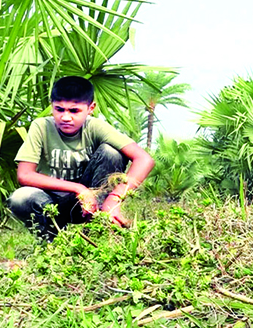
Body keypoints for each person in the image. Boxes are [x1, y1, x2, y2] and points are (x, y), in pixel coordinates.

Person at [8, 76, 155, 238]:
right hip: (49, 202)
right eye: (59, 109)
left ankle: (99, 228)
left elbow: (144, 159)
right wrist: (78, 188)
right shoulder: (41, 126)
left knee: (111, 152)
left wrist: (115, 198)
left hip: (90, 202)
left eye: (74, 111)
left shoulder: (95, 126)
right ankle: (49, 239)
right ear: (52, 107)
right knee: (19, 198)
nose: (65, 117)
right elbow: (24, 175)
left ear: (91, 108)